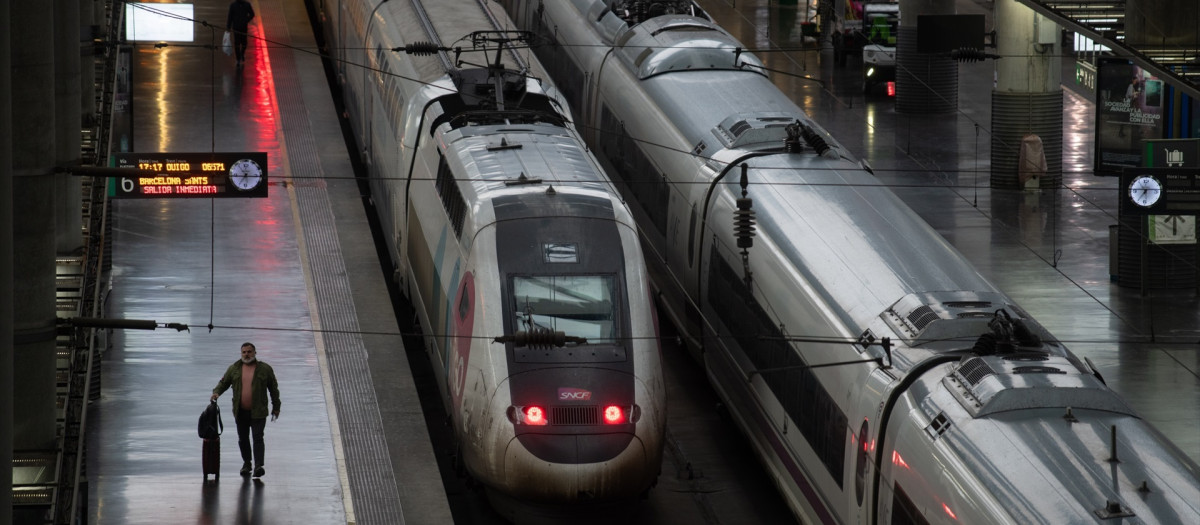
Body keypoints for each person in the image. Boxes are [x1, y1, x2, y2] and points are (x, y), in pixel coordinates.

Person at [211, 342, 280, 478]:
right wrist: (216, 393)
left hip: (258, 412)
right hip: (240, 411)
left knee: (257, 437)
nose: (247, 354)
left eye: (249, 352)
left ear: (255, 353)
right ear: (241, 353)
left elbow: (273, 389)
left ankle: (258, 466)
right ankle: (247, 463)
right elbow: (223, 383)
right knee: (243, 439)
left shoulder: (265, 369)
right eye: (244, 352)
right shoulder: (234, 369)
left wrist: (276, 407)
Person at [226, 0, 256, 66]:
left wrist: (245, 20)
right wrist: (228, 27)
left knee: (243, 43)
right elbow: (230, 17)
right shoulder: (234, 5)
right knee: (238, 43)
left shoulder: (244, 5)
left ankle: (241, 54)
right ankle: (238, 58)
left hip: (241, 27)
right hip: (237, 28)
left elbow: (252, 14)